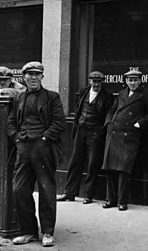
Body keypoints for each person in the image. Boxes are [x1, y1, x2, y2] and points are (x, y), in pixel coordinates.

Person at [7, 61, 66, 247]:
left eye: (37, 74)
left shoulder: (52, 97)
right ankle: (28, 232)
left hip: (43, 148)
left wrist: (45, 139)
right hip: (23, 148)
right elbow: (10, 121)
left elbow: (59, 122)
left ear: (42, 77)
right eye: (29, 74)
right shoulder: (19, 97)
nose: (33, 78)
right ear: (23, 77)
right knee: (19, 189)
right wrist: (16, 138)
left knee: (46, 190)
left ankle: (48, 232)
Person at [102, 68, 148, 211]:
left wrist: (138, 125)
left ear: (140, 81)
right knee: (110, 168)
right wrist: (108, 123)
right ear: (126, 81)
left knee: (123, 169)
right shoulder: (122, 93)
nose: (132, 83)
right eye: (130, 80)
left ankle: (122, 201)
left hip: (129, 136)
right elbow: (112, 109)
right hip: (114, 133)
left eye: (135, 80)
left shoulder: (147, 94)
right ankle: (110, 199)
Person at [57, 71, 113, 204]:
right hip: (81, 131)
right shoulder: (84, 92)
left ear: (102, 82)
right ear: (90, 81)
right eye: (94, 81)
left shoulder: (107, 96)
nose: (96, 84)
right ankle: (69, 192)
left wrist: (101, 130)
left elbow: (109, 114)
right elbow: (78, 109)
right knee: (75, 162)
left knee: (92, 164)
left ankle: (88, 195)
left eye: (99, 82)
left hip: (95, 133)